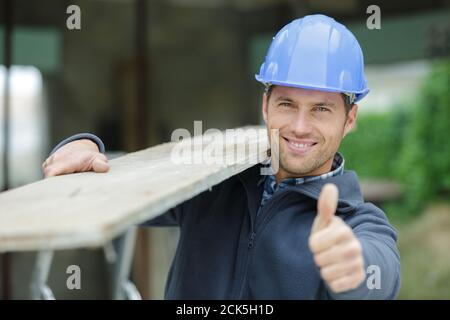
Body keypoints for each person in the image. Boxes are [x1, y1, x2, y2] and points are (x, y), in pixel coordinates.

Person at [42, 14, 400, 299]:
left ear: (349, 119)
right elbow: (121, 186)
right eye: (286, 104)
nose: (300, 126)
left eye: (321, 109)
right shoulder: (212, 180)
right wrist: (83, 150)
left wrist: (352, 268)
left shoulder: (357, 224)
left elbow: (378, 275)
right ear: (265, 105)